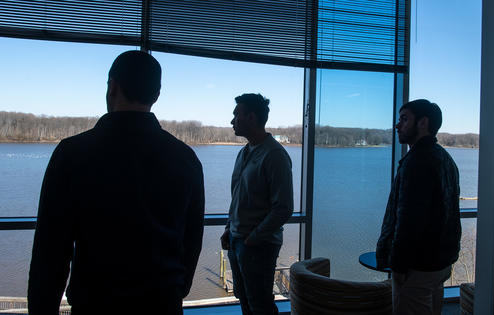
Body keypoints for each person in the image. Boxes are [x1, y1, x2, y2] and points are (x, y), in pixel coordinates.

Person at [27, 50, 205, 315]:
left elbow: (50, 252)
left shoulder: (72, 153)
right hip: (163, 303)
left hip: (95, 304)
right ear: (156, 95)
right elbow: (192, 241)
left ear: (112, 87)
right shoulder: (186, 159)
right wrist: (177, 289)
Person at [376, 99, 461, 315]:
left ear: (423, 123)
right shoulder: (445, 158)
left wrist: (399, 265)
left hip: (417, 267)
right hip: (439, 264)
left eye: (404, 119)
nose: (397, 125)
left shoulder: (417, 162)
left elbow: (409, 220)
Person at [220, 93, 294, 315]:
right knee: (244, 298)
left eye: (236, 115)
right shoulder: (244, 153)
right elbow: (238, 199)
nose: (232, 120)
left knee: (260, 304)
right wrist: (228, 229)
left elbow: (284, 207)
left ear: (251, 117)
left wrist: (254, 237)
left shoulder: (275, 155)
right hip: (237, 240)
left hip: (257, 246)